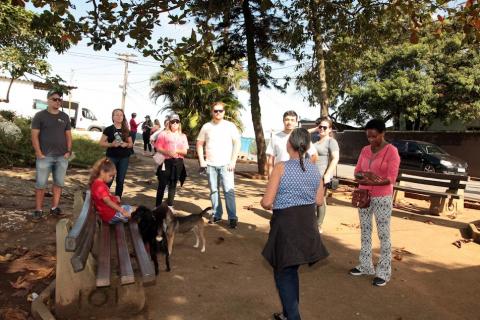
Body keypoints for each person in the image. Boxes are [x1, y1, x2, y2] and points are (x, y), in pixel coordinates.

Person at [261, 128, 329, 320]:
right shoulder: (315, 170)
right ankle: (287, 313)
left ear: (288, 144)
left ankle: (293, 316)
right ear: (307, 146)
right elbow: (318, 201)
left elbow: (266, 202)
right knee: (291, 271)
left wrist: (276, 200)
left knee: (283, 273)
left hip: (286, 225)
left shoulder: (281, 167)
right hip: (307, 224)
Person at [349, 119, 400, 287]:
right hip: (363, 195)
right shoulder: (364, 150)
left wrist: (371, 179)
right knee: (365, 231)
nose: (370, 140)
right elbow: (357, 173)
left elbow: (390, 179)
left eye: (374, 136)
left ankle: (383, 272)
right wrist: (366, 177)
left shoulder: (392, 151)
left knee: (383, 234)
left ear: (383, 133)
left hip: (382, 197)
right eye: (368, 136)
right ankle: (365, 265)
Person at [196, 102, 240, 229]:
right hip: (210, 164)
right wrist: (202, 161)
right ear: (212, 112)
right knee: (214, 191)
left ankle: (232, 218)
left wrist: (233, 161)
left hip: (227, 165)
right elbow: (200, 144)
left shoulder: (230, 126)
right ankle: (217, 214)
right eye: (215, 111)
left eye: (220, 111)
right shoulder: (206, 126)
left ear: (224, 112)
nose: (218, 113)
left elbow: (237, 143)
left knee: (228, 191)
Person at [31, 89, 72, 220]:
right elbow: (34, 136)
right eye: (55, 99)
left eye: (60, 99)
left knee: (59, 183)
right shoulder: (39, 116)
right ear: (48, 100)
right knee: (41, 184)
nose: (57, 101)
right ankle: (38, 210)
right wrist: (38, 153)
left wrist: (68, 151)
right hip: (45, 156)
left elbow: (69, 136)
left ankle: (54, 208)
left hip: (62, 157)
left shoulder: (65, 117)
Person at [308, 117, 340, 232]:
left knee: (320, 200)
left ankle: (318, 224)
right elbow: (301, 133)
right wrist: (316, 129)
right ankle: (310, 222)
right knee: (309, 199)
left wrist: (327, 174)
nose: (321, 129)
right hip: (310, 174)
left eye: (324, 127)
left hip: (322, 175)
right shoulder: (315, 139)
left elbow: (335, 158)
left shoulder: (331, 141)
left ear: (330, 129)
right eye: (320, 126)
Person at [266, 110, 317, 177]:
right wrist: (271, 175)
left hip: (298, 175)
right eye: (287, 119)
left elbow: (314, 155)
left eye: (292, 120)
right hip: (279, 175)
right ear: (283, 121)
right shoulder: (275, 137)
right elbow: (270, 158)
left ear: (296, 122)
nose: (289, 122)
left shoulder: (302, 136)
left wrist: (306, 170)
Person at [154, 113, 188, 207]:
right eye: (173, 121)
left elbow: (185, 151)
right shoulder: (163, 134)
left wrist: (176, 150)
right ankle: (157, 206)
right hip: (166, 162)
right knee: (162, 184)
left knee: (173, 185)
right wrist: (168, 152)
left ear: (179, 123)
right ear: (169, 123)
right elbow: (158, 148)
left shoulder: (183, 136)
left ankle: (170, 206)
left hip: (178, 162)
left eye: (177, 121)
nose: (175, 123)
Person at [99, 109, 133, 198]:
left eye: (121, 115)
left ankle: (117, 199)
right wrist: (111, 144)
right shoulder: (108, 129)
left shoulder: (126, 130)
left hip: (124, 158)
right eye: (116, 115)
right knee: (108, 178)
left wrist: (126, 144)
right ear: (113, 117)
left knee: (120, 180)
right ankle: (104, 198)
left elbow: (131, 144)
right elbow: (101, 143)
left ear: (123, 117)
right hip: (111, 157)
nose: (119, 116)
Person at [89, 157, 133, 224]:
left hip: (111, 213)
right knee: (137, 215)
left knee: (137, 209)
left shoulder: (98, 183)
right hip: (111, 215)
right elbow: (108, 202)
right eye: (110, 176)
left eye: (113, 176)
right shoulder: (100, 186)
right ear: (102, 172)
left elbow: (105, 199)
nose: (111, 178)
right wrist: (122, 211)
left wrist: (115, 198)